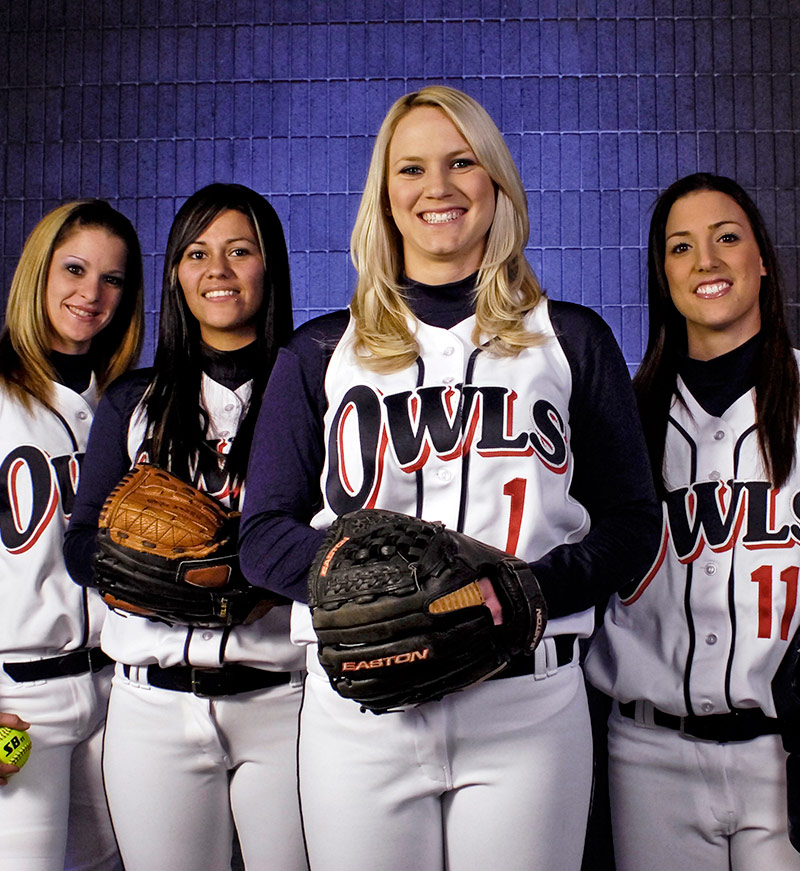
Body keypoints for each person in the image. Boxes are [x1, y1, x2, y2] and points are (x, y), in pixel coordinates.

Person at [238, 85, 661, 871]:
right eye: (412, 169)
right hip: (364, 707)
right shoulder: (319, 352)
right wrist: (383, 595)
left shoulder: (569, 339)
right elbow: (262, 539)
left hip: (527, 701)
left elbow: (634, 522)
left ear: (496, 181)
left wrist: (520, 591)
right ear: (386, 197)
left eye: (462, 161)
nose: (438, 187)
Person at [64, 183, 308, 871]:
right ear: (175, 272)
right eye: (197, 253)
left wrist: (260, 566)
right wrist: (165, 575)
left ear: (270, 265)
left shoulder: (312, 389)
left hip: (281, 700)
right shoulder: (130, 401)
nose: (218, 270)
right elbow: (82, 545)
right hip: (152, 703)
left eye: (239, 250)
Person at [585, 172, 800, 869]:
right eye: (681, 247)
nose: (706, 261)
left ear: (762, 259)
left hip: (785, 749)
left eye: (726, 238)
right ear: (662, 273)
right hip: (647, 752)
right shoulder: (618, 413)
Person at [0, 199, 144, 871]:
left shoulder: (132, 405)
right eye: (75, 268)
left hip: (119, 697)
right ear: (39, 272)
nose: (92, 293)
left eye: (112, 278)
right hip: (19, 702)